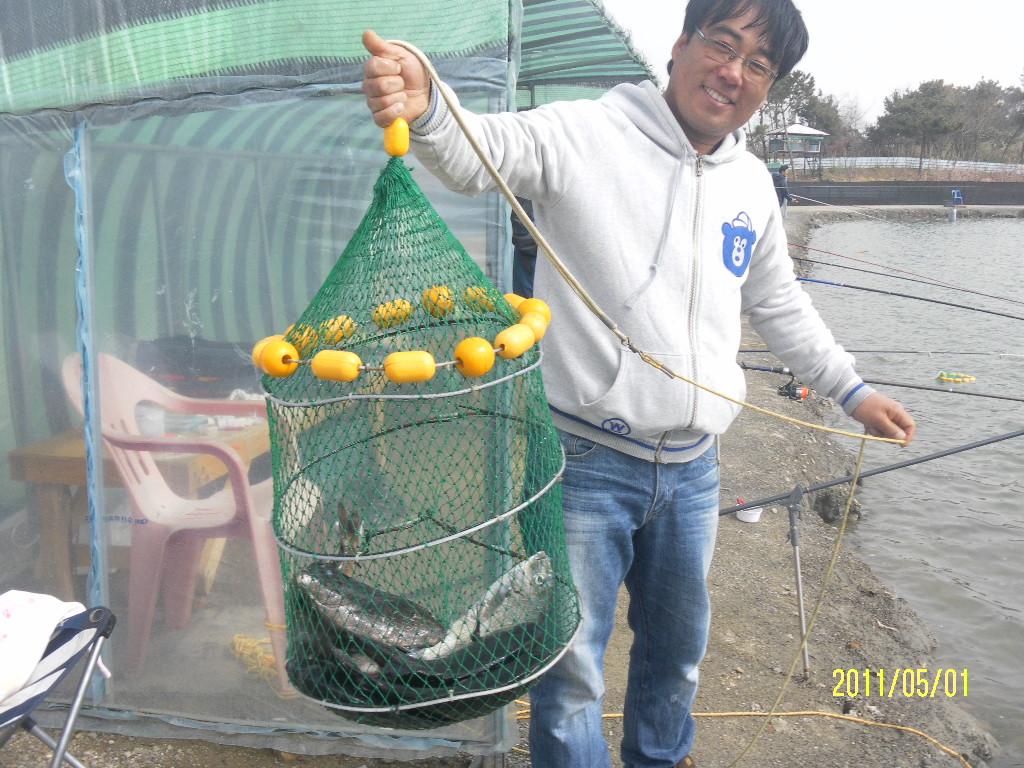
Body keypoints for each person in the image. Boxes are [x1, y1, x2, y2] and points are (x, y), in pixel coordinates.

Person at [362, 2, 915, 766]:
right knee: (571, 672)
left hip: (693, 471)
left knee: (678, 655)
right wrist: (427, 103)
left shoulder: (752, 185)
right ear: (682, 44)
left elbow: (778, 302)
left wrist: (853, 391)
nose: (734, 72)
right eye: (723, 45)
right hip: (584, 465)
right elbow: (475, 154)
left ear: (769, 86)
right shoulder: (585, 132)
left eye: (758, 65)